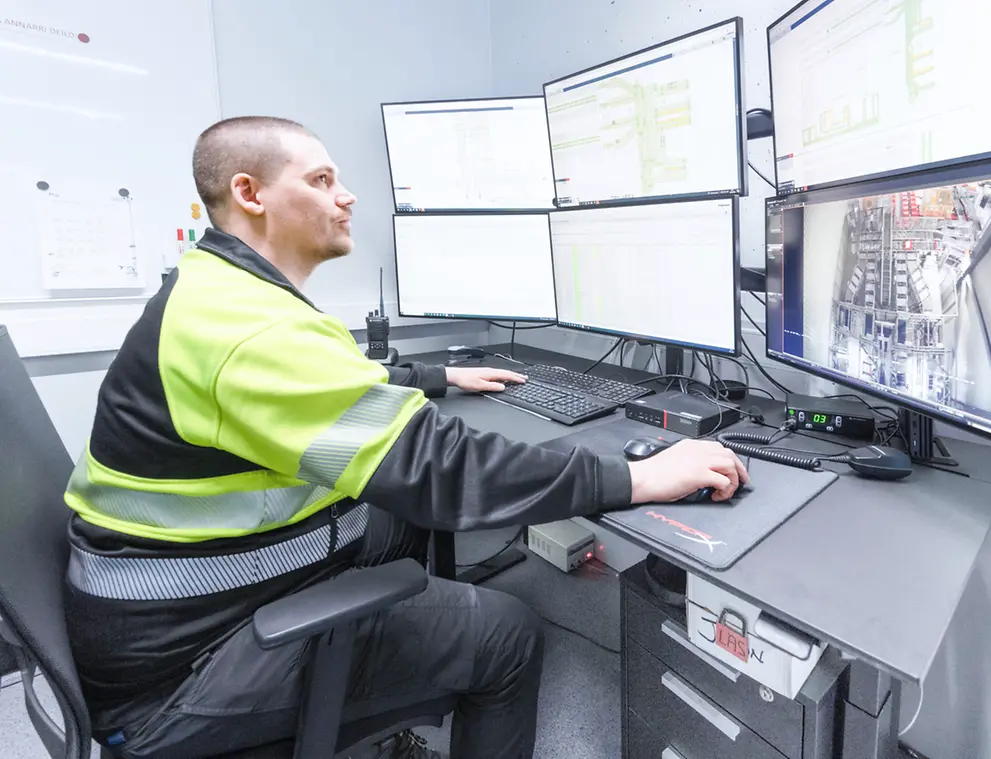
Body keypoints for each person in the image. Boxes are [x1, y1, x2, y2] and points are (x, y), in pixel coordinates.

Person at [61, 116, 748, 759]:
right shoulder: (250, 326)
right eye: (321, 180)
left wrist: (434, 376)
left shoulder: (219, 291)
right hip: (181, 673)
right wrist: (636, 477)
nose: (347, 196)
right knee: (507, 632)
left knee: (400, 518)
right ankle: (433, 666)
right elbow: (442, 469)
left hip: (170, 607)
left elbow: (320, 382)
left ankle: (401, 685)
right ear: (250, 193)